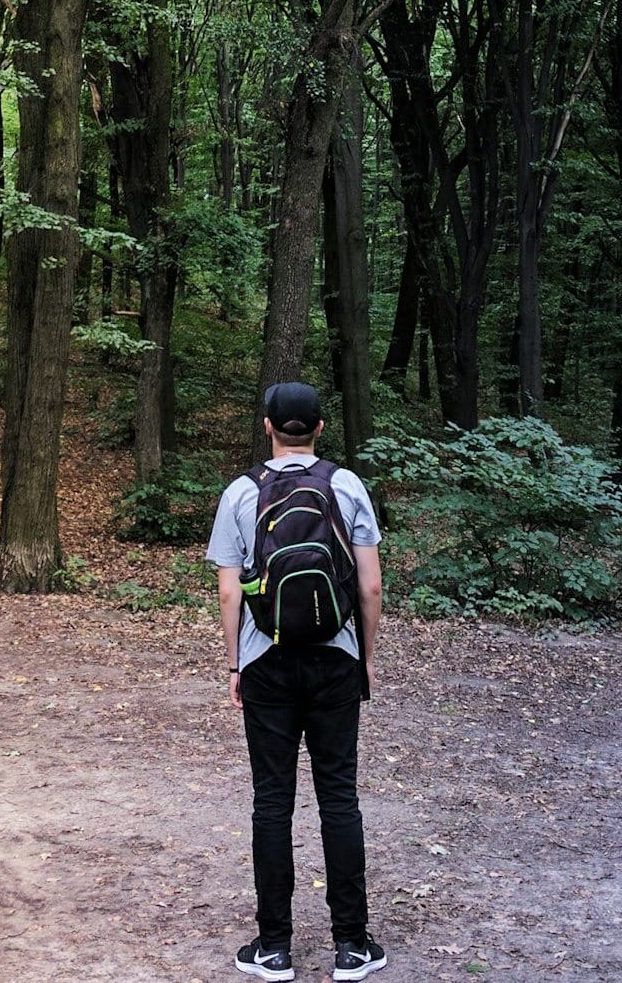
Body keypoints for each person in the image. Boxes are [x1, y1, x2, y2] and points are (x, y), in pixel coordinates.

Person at [207, 381, 387, 981]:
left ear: (267, 427)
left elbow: (231, 589)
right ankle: (353, 946)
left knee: (272, 798)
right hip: (336, 657)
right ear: (319, 427)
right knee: (339, 794)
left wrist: (236, 662)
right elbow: (370, 587)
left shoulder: (240, 492)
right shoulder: (346, 485)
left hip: (267, 660)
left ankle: (274, 947)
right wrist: (364, 656)